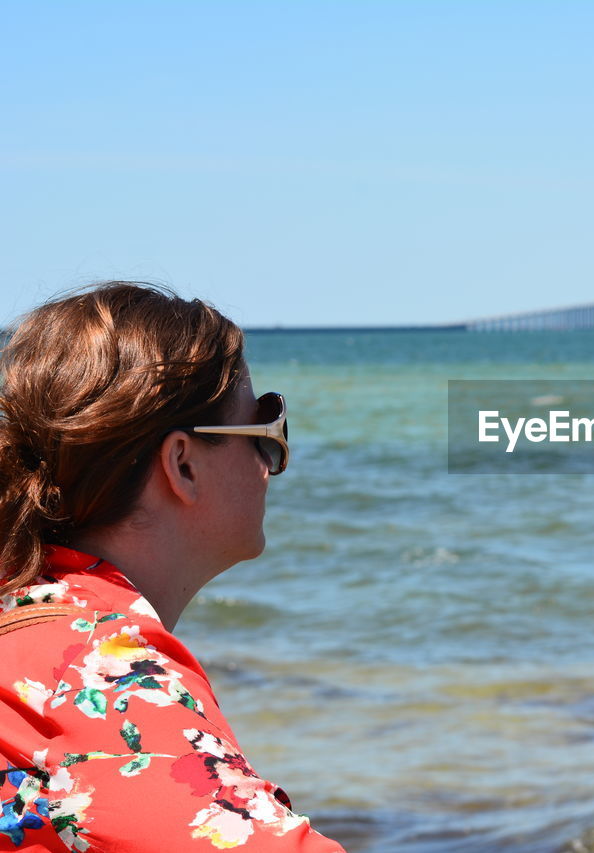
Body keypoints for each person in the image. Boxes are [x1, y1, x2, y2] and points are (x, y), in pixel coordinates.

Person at [0, 283, 345, 851]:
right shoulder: (101, 680)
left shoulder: (25, 611)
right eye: (264, 429)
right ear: (182, 465)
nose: (272, 462)